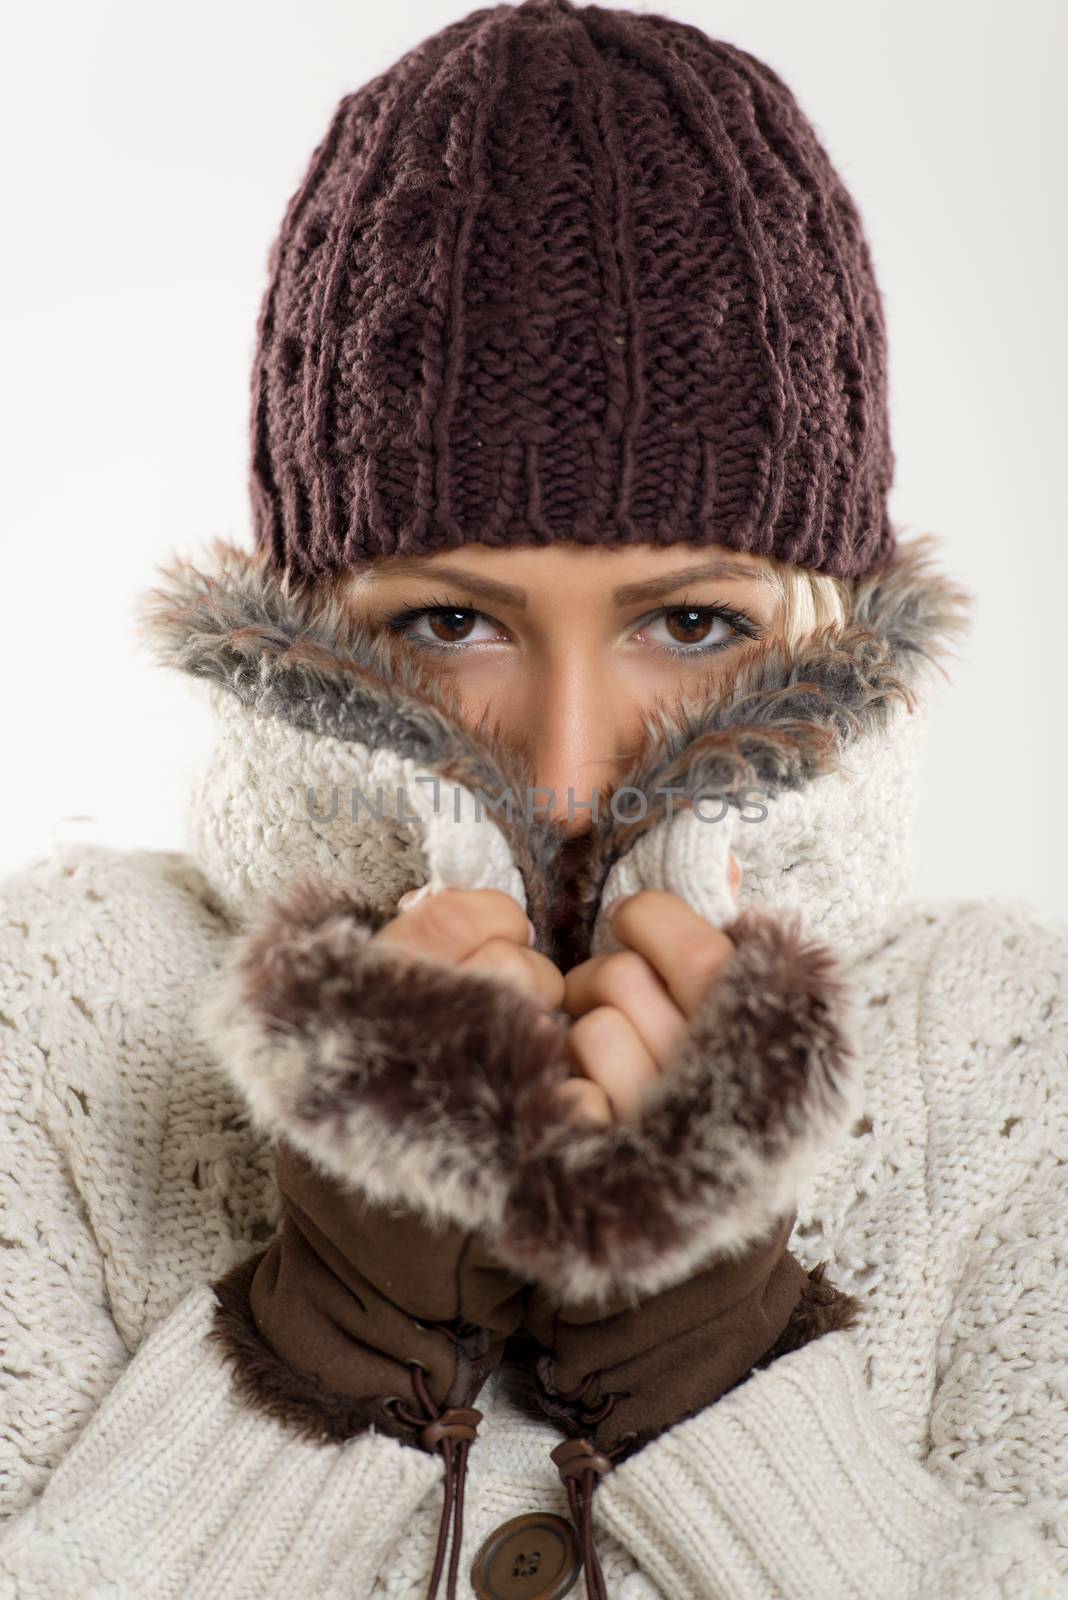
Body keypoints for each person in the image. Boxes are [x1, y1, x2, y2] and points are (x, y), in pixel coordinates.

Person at [1, 2, 1066, 1596]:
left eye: (691, 623)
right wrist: (318, 1353)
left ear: (827, 630)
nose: (568, 772)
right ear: (307, 622)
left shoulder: (1011, 1054)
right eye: (450, 621)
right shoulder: (53, 1006)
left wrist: (734, 1383)